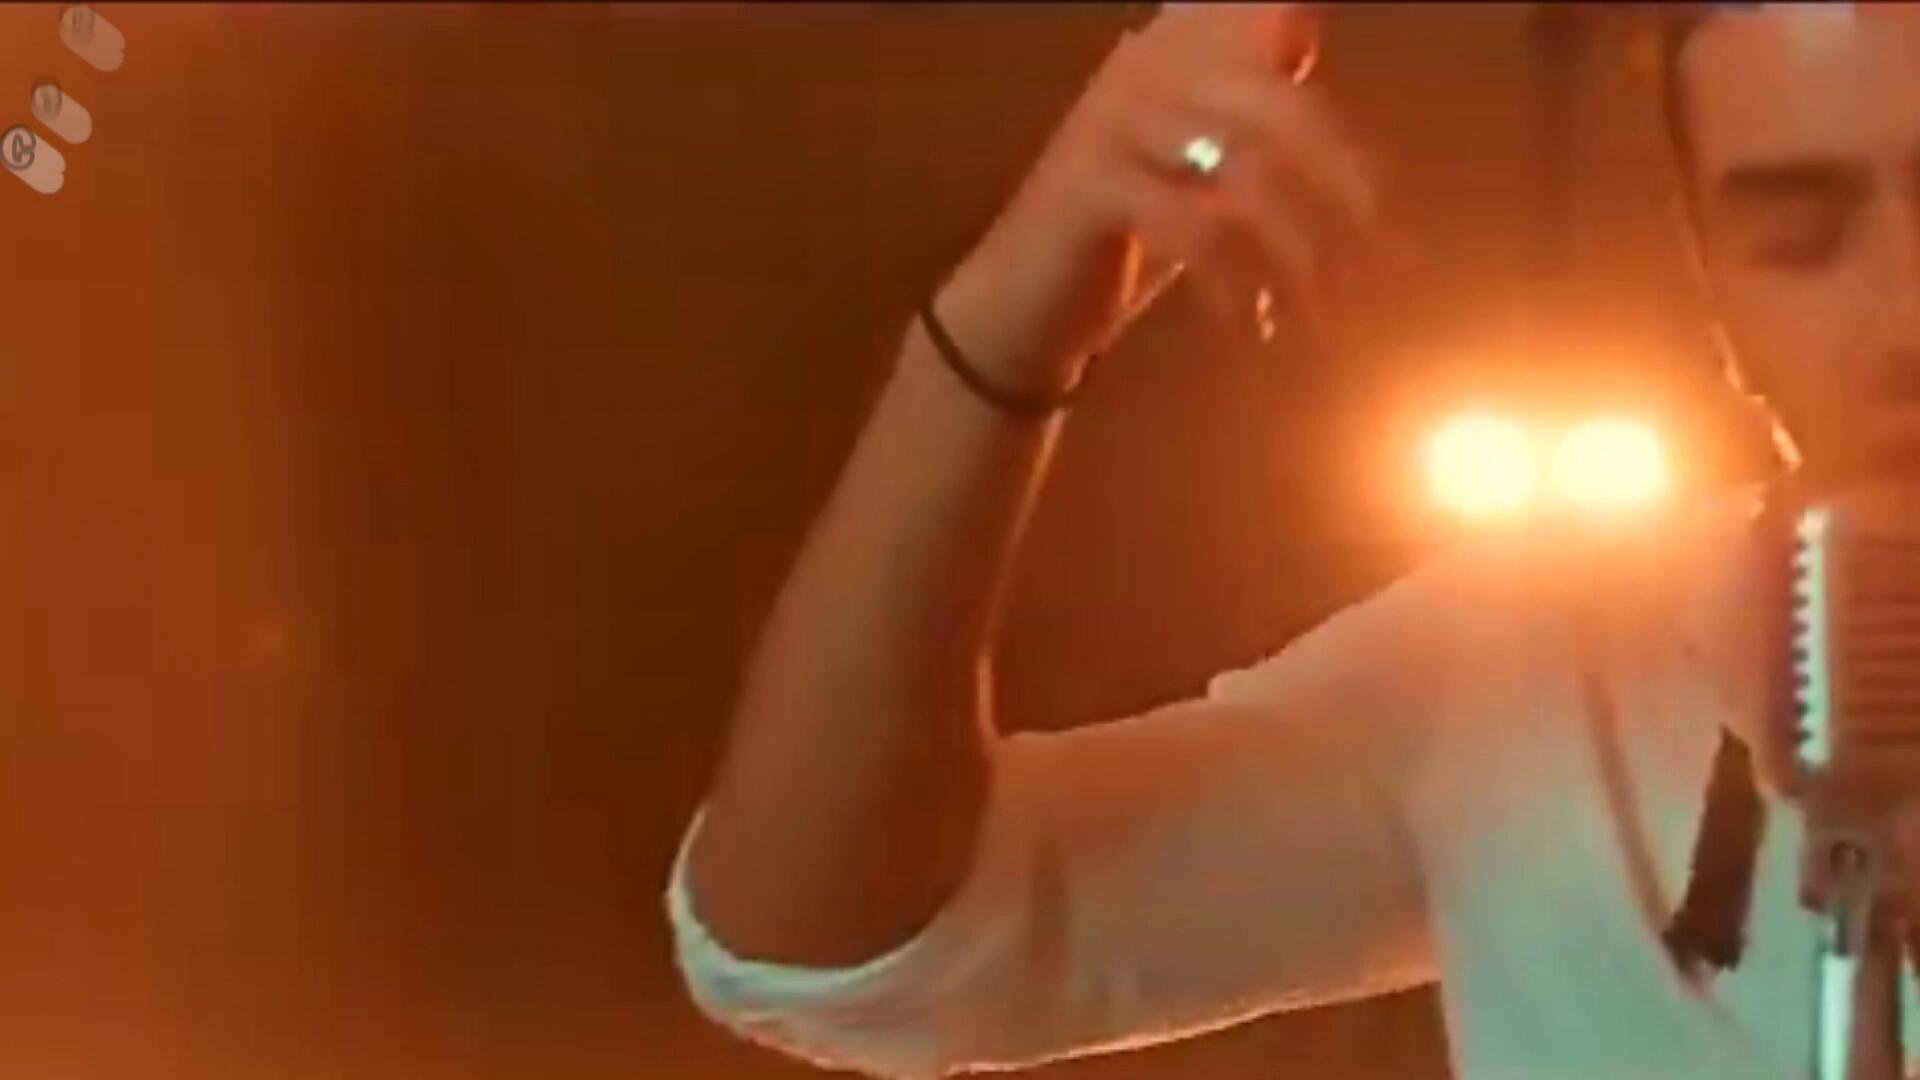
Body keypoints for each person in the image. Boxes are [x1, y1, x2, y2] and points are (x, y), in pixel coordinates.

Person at [664, 3, 1920, 1078]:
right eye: (1798, 239)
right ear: (1710, 284)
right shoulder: (1523, 671)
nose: (1903, 321)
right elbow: (829, 954)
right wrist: (1005, 329)